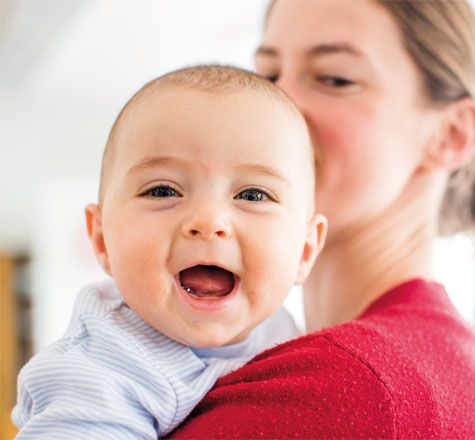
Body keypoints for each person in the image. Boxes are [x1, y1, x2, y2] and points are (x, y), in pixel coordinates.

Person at [170, 0, 475, 438]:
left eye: (335, 78)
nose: (277, 107)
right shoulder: (432, 360)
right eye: (268, 74)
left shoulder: (356, 386)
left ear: (451, 135)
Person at [12, 65, 327, 438]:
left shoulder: (285, 336)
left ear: (305, 250)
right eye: (163, 191)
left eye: (252, 195)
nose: (208, 221)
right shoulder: (100, 369)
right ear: (101, 239)